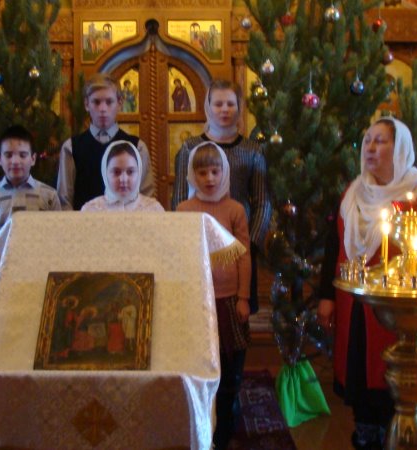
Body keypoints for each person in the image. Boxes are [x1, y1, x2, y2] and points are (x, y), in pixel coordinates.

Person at [317, 117, 417, 450]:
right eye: (368, 140)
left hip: (400, 308)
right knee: (360, 377)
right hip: (355, 302)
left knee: (393, 380)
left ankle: (398, 434)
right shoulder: (354, 192)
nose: (370, 148)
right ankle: (366, 436)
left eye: (380, 141)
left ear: (399, 148)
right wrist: (327, 295)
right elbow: (334, 244)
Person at [172, 79, 271, 313]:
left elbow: (262, 201)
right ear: (208, 107)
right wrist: (187, 240)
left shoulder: (252, 151)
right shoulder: (190, 148)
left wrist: (249, 243)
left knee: (238, 315)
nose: (224, 109)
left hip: (239, 245)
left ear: (239, 107)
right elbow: (179, 198)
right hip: (199, 246)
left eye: (230, 104)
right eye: (218, 104)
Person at [176, 142, 251, 450]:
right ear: (192, 175)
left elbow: (243, 255)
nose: (209, 178)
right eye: (202, 172)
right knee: (202, 363)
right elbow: (179, 255)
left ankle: (226, 426)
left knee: (231, 366)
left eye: (215, 171)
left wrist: (243, 297)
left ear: (224, 172)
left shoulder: (235, 210)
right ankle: (201, 421)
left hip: (229, 300)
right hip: (198, 301)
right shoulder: (184, 210)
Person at [0, 125, 61, 318]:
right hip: (1, 282)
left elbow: (58, 245)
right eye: (9, 155)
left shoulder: (49, 196)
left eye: (22, 155)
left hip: (39, 283)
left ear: (33, 159)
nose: (15, 161)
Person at [57, 73, 155, 210]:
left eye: (109, 102)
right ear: (86, 104)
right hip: (84, 221)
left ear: (119, 103)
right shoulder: (72, 147)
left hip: (126, 221)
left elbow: (146, 197)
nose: (102, 109)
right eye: (96, 102)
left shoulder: (137, 147)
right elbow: (65, 200)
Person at [80, 140, 163, 212]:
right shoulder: (90, 210)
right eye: (116, 172)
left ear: (139, 172)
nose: (123, 179)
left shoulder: (154, 209)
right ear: (105, 174)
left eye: (130, 172)